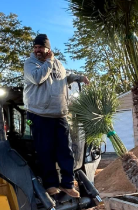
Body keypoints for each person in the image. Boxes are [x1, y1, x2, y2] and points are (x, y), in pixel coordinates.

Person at [23, 33, 89, 197]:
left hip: (59, 114)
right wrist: (49, 62)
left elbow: (63, 79)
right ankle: (50, 185)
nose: (37, 50)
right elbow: (38, 78)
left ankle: (67, 184)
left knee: (65, 151)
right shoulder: (30, 63)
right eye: (35, 47)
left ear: (48, 48)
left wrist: (78, 78)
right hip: (39, 114)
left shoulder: (58, 64)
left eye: (40, 47)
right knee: (45, 151)